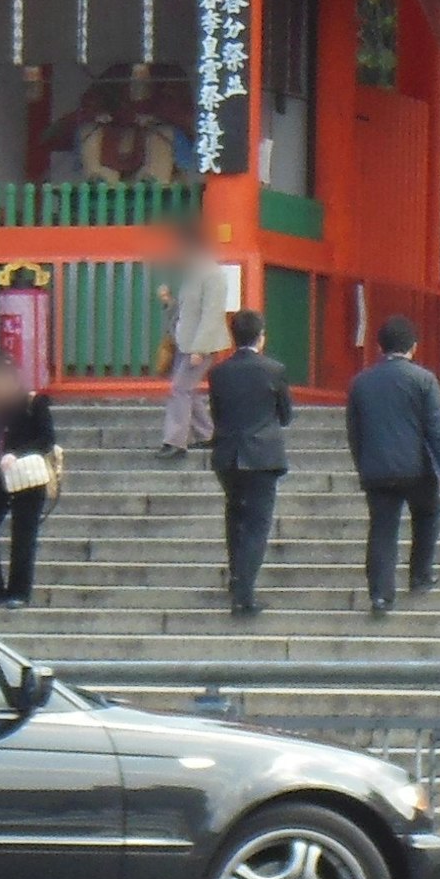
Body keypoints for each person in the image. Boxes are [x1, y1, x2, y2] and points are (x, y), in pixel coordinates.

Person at [344, 316, 440, 615]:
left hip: (377, 467)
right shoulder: (423, 379)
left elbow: (354, 432)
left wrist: (362, 465)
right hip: (416, 466)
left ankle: (380, 595)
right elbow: (435, 426)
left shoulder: (361, 382)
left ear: (380, 346)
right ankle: (420, 574)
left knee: (382, 529)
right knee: (427, 515)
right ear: (414, 347)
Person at [205, 304, 294, 616]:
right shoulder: (274, 370)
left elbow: (216, 413)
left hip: (227, 453)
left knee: (234, 516)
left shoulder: (218, 372)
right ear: (261, 337)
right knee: (257, 523)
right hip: (262, 454)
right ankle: (244, 594)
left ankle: (236, 576)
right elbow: (285, 415)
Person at [0, 351, 59, 607]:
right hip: (0, 473)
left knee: (24, 532)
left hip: (29, 475)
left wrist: (17, 454)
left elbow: (46, 440)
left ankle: (19, 592)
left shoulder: (34, 402)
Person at [157, 213, 229, 457]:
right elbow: (187, 311)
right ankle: (207, 433)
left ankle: (175, 441)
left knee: (180, 389)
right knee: (188, 389)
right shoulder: (194, 273)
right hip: (184, 341)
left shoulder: (212, 274)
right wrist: (169, 302)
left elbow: (211, 314)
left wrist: (201, 348)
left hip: (199, 345)